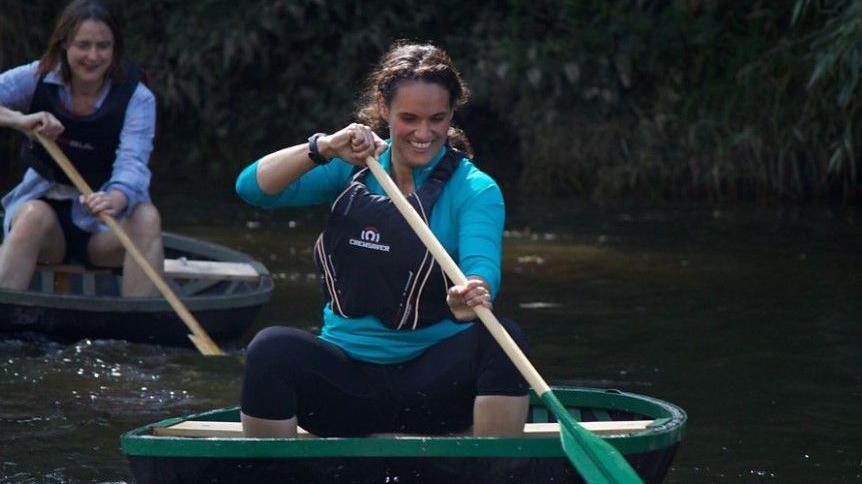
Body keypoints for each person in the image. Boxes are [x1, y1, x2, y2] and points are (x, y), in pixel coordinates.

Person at [235, 42, 530, 439]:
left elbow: (483, 265)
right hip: (346, 390)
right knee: (269, 349)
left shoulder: (475, 189)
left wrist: (475, 290)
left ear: (451, 115)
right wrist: (321, 147)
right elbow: (252, 188)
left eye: (437, 119)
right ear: (383, 107)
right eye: (409, 118)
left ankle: (492, 470)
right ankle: (271, 472)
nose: (424, 133)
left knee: (504, 337)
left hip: (434, 393)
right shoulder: (353, 167)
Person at [0, 0, 163, 297]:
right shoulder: (38, 76)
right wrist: (20, 120)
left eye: (103, 46)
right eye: (83, 45)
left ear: (115, 49)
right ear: (65, 45)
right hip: (47, 226)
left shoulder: (138, 98)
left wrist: (115, 197)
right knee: (32, 216)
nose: (92, 56)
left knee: (147, 216)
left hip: (102, 230)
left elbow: (133, 162)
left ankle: (133, 331)